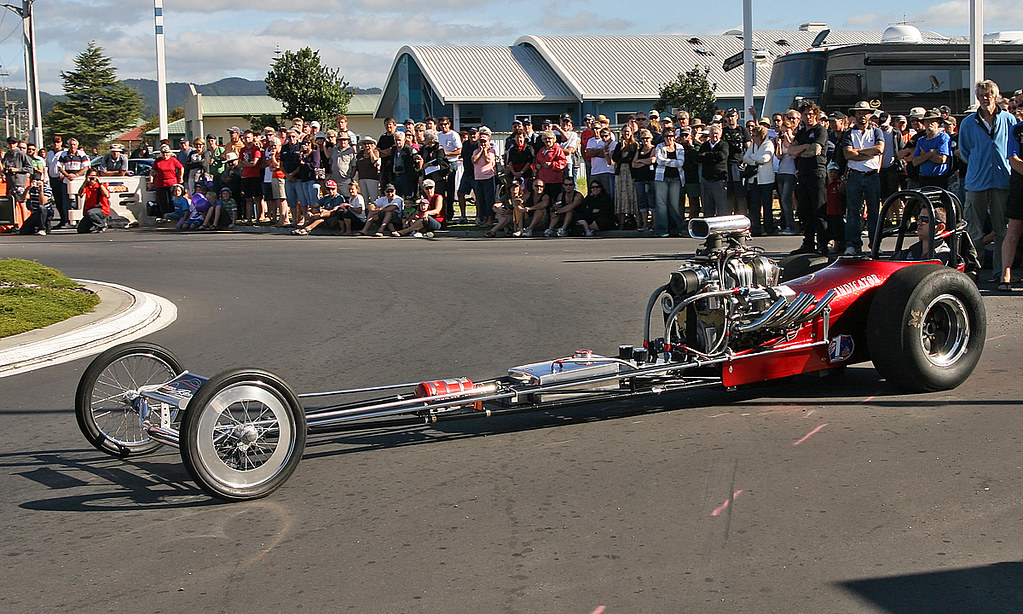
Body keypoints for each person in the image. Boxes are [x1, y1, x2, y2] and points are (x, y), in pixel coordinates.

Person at [960, 80, 1017, 279]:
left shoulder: (1009, 120)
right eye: (982, 95)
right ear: (977, 97)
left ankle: (1000, 271)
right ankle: (974, 269)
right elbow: (965, 151)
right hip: (976, 181)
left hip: (1002, 180)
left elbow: (1014, 147)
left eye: (989, 95)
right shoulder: (968, 122)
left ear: (996, 96)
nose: (985, 98)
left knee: (1002, 229)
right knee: (973, 229)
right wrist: (978, 165)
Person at [841, 101, 885, 255]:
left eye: (865, 113)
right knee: (853, 211)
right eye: (859, 113)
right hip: (854, 176)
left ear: (869, 115)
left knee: (874, 212)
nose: (862, 116)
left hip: (872, 175)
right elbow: (847, 154)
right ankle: (853, 244)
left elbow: (879, 149)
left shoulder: (876, 132)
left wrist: (858, 153)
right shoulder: (849, 133)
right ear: (855, 115)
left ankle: (875, 243)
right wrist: (868, 153)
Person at [788, 101, 829, 255]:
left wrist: (802, 150)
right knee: (805, 212)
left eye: (811, 114)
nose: (809, 117)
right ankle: (808, 243)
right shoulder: (801, 132)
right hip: (803, 174)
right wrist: (805, 147)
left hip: (816, 173)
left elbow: (815, 150)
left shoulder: (820, 130)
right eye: (805, 114)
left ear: (816, 115)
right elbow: (790, 150)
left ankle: (823, 244)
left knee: (819, 210)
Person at [999, 118, 1023, 291]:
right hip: (1019, 187)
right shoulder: (1017, 130)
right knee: (1013, 230)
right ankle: (1005, 275)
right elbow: (1012, 159)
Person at [743, 124, 776, 236]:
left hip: (766, 180)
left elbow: (765, 158)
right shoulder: (753, 145)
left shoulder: (769, 144)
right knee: (755, 205)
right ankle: (756, 228)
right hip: (754, 179)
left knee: (767, 205)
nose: (752, 137)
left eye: (755, 135)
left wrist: (753, 157)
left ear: (761, 136)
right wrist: (755, 158)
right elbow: (745, 158)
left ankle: (769, 228)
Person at [653, 128, 685, 237]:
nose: (669, 138)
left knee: (674, 204)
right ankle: (662, 230)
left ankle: (676, 229)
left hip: (675, 179)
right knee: (661, 204)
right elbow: (659, 160)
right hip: (661, 178)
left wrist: (666, 161)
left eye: (671, 136)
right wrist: (673, 162)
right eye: (667, 136)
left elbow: (681, 163)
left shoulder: (679, 147)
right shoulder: (659, 147)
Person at [913, 110, 952, 189]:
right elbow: (915, 162)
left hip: (939, 179)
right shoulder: (921, 140)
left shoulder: (943, 137)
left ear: (938, 123)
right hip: (924, 179)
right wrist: (931, 153)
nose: (929, 124)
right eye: (927, 121)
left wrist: (923, 156)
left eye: (932, 121)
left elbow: (941, 159)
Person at [696, 125, 729, 217]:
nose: (714, 135)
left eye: (716, 133)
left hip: (719, 180)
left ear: (720, 134)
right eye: (712, 133)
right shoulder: (705, 145)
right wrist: (712, 156)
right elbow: (698, 158)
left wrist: (706, 155)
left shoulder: (724, 144)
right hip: (706, 179)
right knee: (707, 207)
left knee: (721, 207)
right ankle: (709, 228)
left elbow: (722, 156)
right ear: (709, 134)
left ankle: (722, 229)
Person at [472, 126, 499, 226]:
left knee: (489, 199)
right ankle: (484, 217)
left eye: (484, 142)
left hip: (488, 177)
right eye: (481, 142)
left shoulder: (491, 151)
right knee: (481, 199)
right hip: (478, 178)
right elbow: (474, 160)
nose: (483, 144)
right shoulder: (475, 152)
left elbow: (488, 160)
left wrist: (485, 150)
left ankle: (490, 218)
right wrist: (480, 151)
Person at [149, 144, 184, 216]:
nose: (165, 154)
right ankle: (165, 215)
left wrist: (180, 178)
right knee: (163, 201)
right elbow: (152, 172)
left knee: (173, 200)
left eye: (167, 152)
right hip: (161, 184)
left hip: (172, 183)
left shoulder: (173, 160)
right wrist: (151, 182)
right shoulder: (158, 161)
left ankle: (174, 215)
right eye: (163, 153)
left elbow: (181, 168)